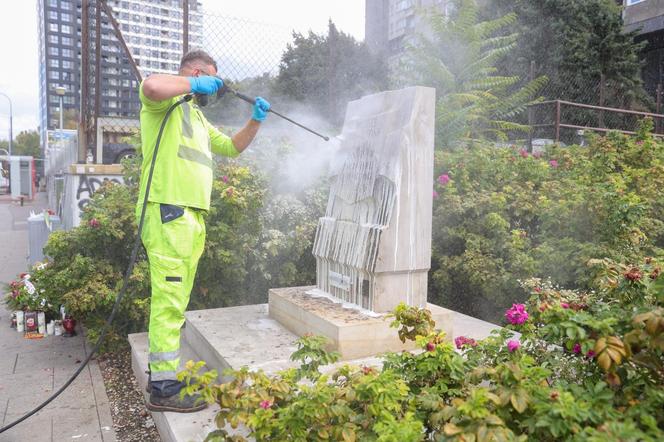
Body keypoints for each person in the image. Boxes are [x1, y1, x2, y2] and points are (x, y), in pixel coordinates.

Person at [137, 49, 270, 412]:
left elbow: (231, 147)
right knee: (169, 298)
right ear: (197, 73)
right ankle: (163, 387)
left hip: (191, 217)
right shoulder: (163, 105)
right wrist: (195, 83)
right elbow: (151, 85)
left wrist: (255, 121)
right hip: (169, 211)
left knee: (175, 300)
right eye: (208, 78)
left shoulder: (195, 115)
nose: (212, 88)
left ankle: (165, 376)